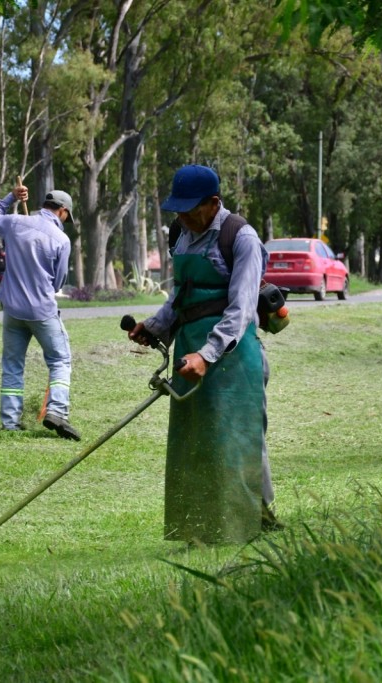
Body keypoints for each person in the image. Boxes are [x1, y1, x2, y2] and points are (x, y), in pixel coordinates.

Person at [127, 164, 279, 544]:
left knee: (238, 439)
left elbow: (241, 309)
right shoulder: (181, 234)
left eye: (190, 209)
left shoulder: (240, 237)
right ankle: (200, 527)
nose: (182, 217)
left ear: (213, 203)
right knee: (194, 441)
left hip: (233, 356)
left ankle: (255, 520)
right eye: (177, 210)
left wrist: (207, 355)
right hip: (189, 351)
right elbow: (181, 294)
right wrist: (156, 326)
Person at [0, 184, 80, 440]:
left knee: (12, 365)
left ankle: (10, 422)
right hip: (42, 311)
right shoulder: (61, 240)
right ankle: (57, 411)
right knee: (60, 360)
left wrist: (10, 197)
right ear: (62, 211)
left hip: (12, 309)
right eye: (66, 217)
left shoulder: (16, 222)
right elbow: (58, 282)